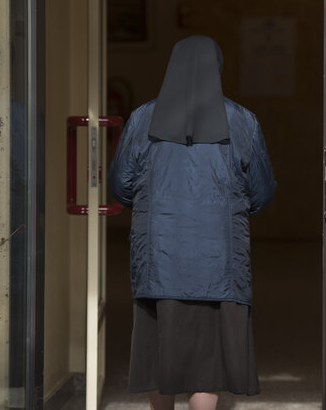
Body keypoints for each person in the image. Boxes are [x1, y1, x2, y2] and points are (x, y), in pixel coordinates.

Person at [108, 35, 276, 410]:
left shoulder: (142, 119)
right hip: (217, 262)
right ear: (217, 70)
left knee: (158, 356)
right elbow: (262, 192)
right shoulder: (242, 121)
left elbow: (120, 186)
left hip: (158, 261)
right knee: (207, 364)